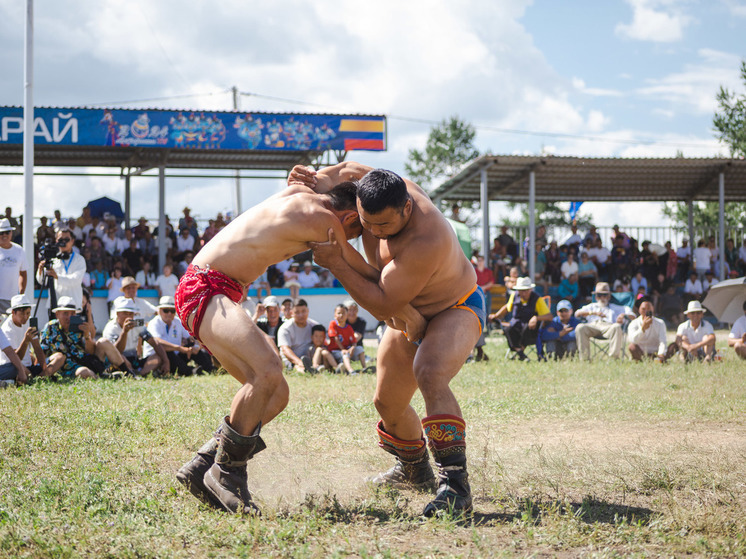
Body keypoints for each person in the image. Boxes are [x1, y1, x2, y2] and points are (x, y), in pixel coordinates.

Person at [174, 173, 382, 516]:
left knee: (276, 393)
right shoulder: (326, 220)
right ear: (348, 217)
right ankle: (226, 474)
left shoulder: (304, 191)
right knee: (267, 369)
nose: (353, 238)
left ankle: (203, 466)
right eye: (357, 232)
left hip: (212, 288)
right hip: (208, 286)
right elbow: (362, 270)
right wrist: (409, 281)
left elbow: (340, 177)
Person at [300, 163, 485, 517]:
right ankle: (414, 471)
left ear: (407, 208)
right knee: (388, 403)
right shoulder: (373, 185)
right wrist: (314, 178)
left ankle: (456, 487)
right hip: (406, 313)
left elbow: (384, 302)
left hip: (454, 307)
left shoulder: (426, 236)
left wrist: (338, 263)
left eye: (383, 225)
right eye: (366, 223)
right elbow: (345, 169)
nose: (373, 231)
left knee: (429, 373)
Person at [40, 296, 126, 380]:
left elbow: (91, 351)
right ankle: (102, 377)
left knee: (104, 341)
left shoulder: (80, 326)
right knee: (83, 372)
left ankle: (128, 372)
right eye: (65, 313)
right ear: (57, 314)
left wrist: (87, 336)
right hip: (67, 368)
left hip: (86, 361)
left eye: (73, 313)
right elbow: (42, 351)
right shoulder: (50, 328)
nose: (69, 317)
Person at [145, 296, 211, 376]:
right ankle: (190, 371)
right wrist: (180, 348)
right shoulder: (154, 323)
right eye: (166, 310)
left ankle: (210, 368)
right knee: (168, 352)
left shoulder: (178, 321)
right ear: (159, 311)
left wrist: (196, 346)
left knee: (190, 346)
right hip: (158, 356)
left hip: (176, 354)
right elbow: (157, 342)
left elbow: (192, 336)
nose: (169, 313)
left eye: (172, 311)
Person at [490, 277, 552, 361]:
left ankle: (520, 353)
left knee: (527, 328)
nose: (524, 293)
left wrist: (536, 318)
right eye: (521, 290)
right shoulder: (514, 296)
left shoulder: (537, 299)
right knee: (508, 329)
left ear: (530, 289)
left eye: (526, 290)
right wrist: (496, 316)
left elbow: (549, 316)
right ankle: (520, 353)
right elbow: (507, 308)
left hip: (530, 329)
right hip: (516, 325)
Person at [102, 297, 168, 377]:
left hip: (134, 359)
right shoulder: (110, 327)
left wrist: (166, 361)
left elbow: (153, 342)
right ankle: (130, 372)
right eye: (125, 313)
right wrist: (124, 332)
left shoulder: (137, 323)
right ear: (117, 314)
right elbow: (115, 351)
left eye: (130, 314)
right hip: (119, 360)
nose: (128, 317)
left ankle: (139, 373)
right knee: (121, 357)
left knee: (158, 357)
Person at [0, 294, 47, 380]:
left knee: (58, 358)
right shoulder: (6, 329)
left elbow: (37, 348)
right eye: (22, 314)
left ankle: (39, 377)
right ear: (13, 312)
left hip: (29, 366)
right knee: (16, 368)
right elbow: (15, 358)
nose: (25, 317)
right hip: (13, 367)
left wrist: (45, 369)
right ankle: (31, 378)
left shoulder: (30, 321)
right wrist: (25, 341)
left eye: (28, 313)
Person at [575, 282, 625, 361]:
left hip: (608, 327)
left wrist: (622, 316)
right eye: (599, 295)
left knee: (617, 327)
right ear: (596, 297)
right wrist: (593, 313)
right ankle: (585, 359)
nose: (602, 297)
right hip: (593, 326)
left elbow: (631, 314)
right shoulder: (591, 306)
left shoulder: (615, 307)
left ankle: (613, 359)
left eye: (604, 295)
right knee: (580, 327)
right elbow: (577, 313)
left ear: (609, 296)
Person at [277, 298, 320, 372]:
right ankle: (307, 370)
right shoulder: (285, 328)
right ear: (291, 313)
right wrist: (299, 362)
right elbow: (285, 350)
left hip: (311, 359)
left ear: (308, 311)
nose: (301, 315)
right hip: (291, 361)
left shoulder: (315, 326)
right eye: (297, 312)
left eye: (303, 311)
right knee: (299, 368)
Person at [327, 303, 370, 374]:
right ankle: (351, 370)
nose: (341, 315)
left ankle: (365, 368)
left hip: (347, 349)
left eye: (343, 313)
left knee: (360, 349)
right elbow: (336, 338)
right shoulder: (333, 324)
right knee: (345, 354)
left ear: (347, 315)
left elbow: (354, 341)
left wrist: (352, 348)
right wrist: (343, 349)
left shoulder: (349, 328)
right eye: (339, 313)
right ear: (335, 315)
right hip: (335, 351)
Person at [0, 218, 28, 315]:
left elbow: (23, 273)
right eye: (1, 233)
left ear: (11, 233)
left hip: (13, 300)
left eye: (7, 232)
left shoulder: (19, 250)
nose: (4, 235)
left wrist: (21, 292)